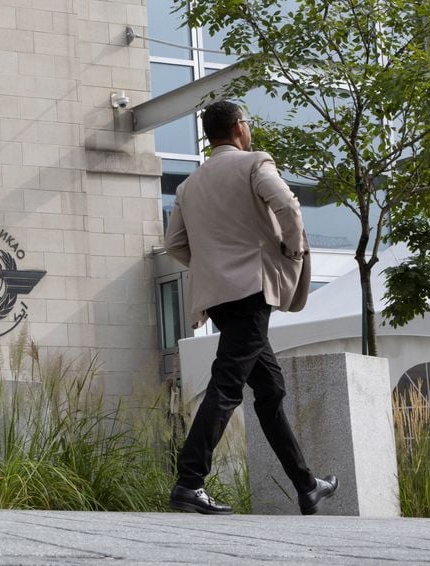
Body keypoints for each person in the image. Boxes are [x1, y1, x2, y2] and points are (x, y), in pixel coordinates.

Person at [163, 100, 338, 516]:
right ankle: (189, 481)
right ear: (239, 127)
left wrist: (211, 265)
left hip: (217, 298)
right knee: (227, 384)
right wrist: (292, 250)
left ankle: (306, 485)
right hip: (253, 290)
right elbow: (288, 206)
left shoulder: (189, 186)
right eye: (248, 122)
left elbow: (174, 244)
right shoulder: (255, 163)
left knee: (270, 389)